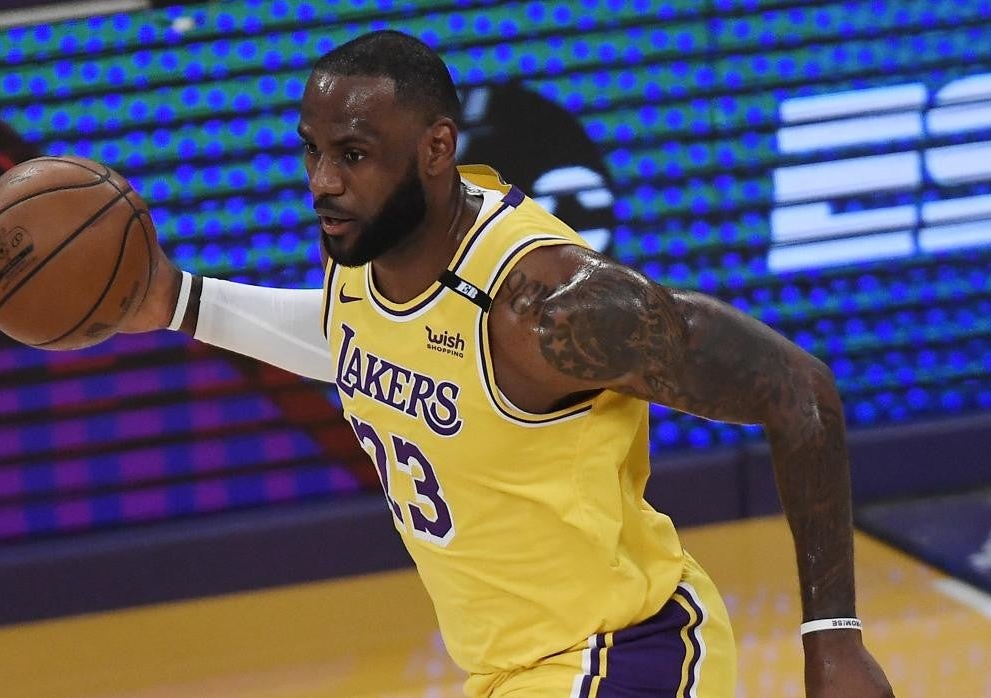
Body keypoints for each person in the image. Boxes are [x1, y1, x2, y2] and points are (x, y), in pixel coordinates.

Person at [119, 30, 894, 698]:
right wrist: (181, 302)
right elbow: (354, 344)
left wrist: (833, 638)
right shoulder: (364, 255)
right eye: (312, 151)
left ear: (436, 148)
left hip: (627, 654)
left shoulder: (548, 306)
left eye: (353, 154)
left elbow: (797, 388)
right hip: (510, 674)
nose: (323, 181)